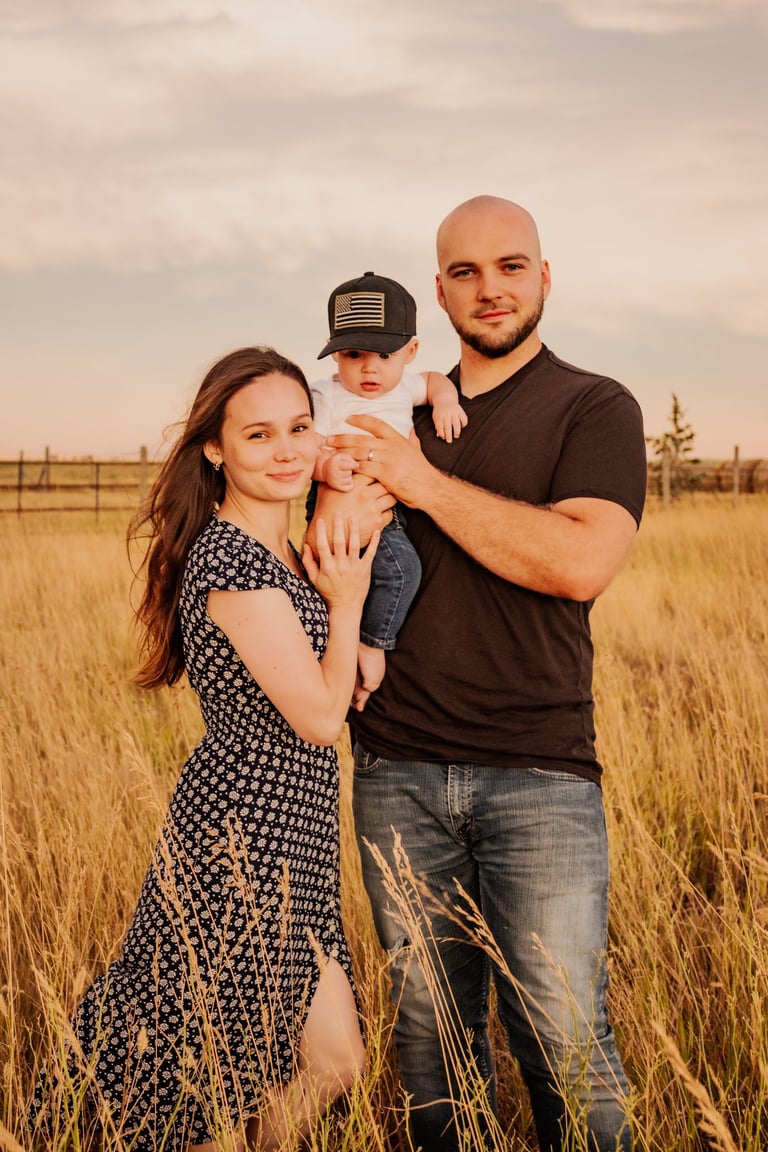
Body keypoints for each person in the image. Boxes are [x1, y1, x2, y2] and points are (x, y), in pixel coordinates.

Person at [313, 196, 647, 1151]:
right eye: (465, 271)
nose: (489, 288)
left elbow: (579, 562)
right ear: (438, 290)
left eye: (510, 266)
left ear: (545, 276)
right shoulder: (385, 403)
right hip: (396, 768)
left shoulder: (593, 405)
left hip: (538, 770)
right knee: (431, 1047)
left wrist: (419, 482)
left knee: (566, 1041)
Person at [28, 347, 378, 1151]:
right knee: (211, 1078)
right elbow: (320, 720)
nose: (286, 450)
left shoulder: (285, 549)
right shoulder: (230, 560)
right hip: (243, 839)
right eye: (259, 434)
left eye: (299, 427)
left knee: (334, 1062)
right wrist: (349, 605)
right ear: (216, 448)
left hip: (296, 836)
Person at [309, 270, 466, 708]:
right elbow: (308, 448)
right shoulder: (326, 394)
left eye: (383, 354)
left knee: (391, 573)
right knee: (391, 573)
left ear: (409, 352)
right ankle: (371, 644)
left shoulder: (404, 387)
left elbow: (435, 382)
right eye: (353, 354)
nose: (369, 367)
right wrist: (325, 468)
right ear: (334, 353)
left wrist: (447, 401)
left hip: (386, 513)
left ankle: (357, 647)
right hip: (340, 500)